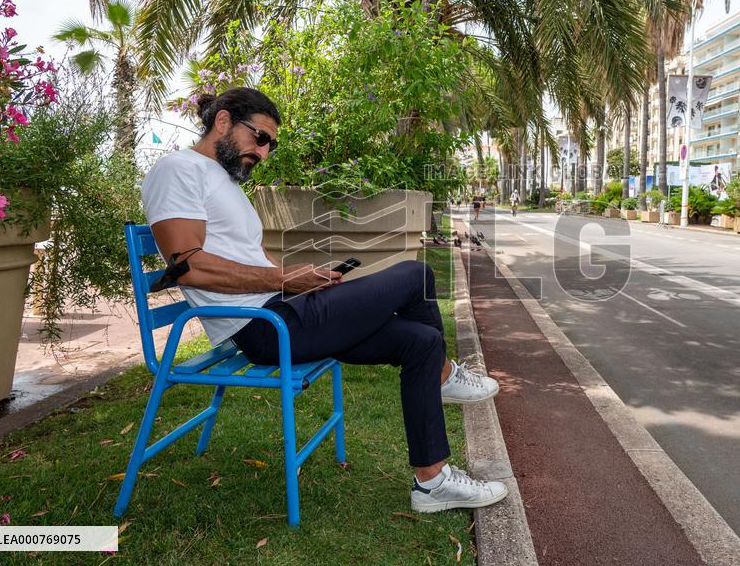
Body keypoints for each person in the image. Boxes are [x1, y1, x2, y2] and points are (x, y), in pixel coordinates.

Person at [141, 87, 508, 514]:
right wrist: (283, 280)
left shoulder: (221, 181)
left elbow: (253, 258)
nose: (264, 153)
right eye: (260, 138)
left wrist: (302, 279)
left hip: (282, 311)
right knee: (416, 273)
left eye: (271, 145)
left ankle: (433, 483)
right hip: (264, 327)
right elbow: (187, 265)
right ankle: (444, 378)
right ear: (223, 121)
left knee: (420, 343)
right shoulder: (178, 170)